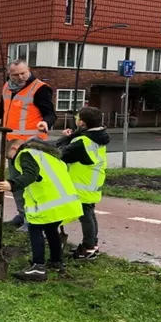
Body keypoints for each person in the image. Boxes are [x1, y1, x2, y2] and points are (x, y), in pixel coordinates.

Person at [0, 60, 56, 231]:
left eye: (23, 73)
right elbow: (2, 110)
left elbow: (51, 113)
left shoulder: (41, 88)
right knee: (15, 181)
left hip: (32, 144)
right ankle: (23, 214)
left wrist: (45, 123)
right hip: (12, 143)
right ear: (9, 74)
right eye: (16, 74)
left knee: (30, 182)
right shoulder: (7, 87)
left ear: (29, 70)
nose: (21, 77)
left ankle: (34, 220)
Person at [0, 138, 83, 282]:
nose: (12, 162)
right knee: (51, 229)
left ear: (13, 149)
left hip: (47, 203)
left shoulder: (26, 153)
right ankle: (56, 262)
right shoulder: (47, 156)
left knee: (34, 228)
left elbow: (30, 174)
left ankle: (38, 267)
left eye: (10, 158)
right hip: (64, 202)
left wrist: (12, 184)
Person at [56, 106, 110, 260]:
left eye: (78, 119)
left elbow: (61, 154)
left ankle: (89, 248)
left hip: (83, 184)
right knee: (89, 214)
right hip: (92, 181)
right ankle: (92, 244)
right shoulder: (98, 136)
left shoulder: (83, 141)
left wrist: (64, 139)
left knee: (86, 216)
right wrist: (72, 136)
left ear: (82, 122)